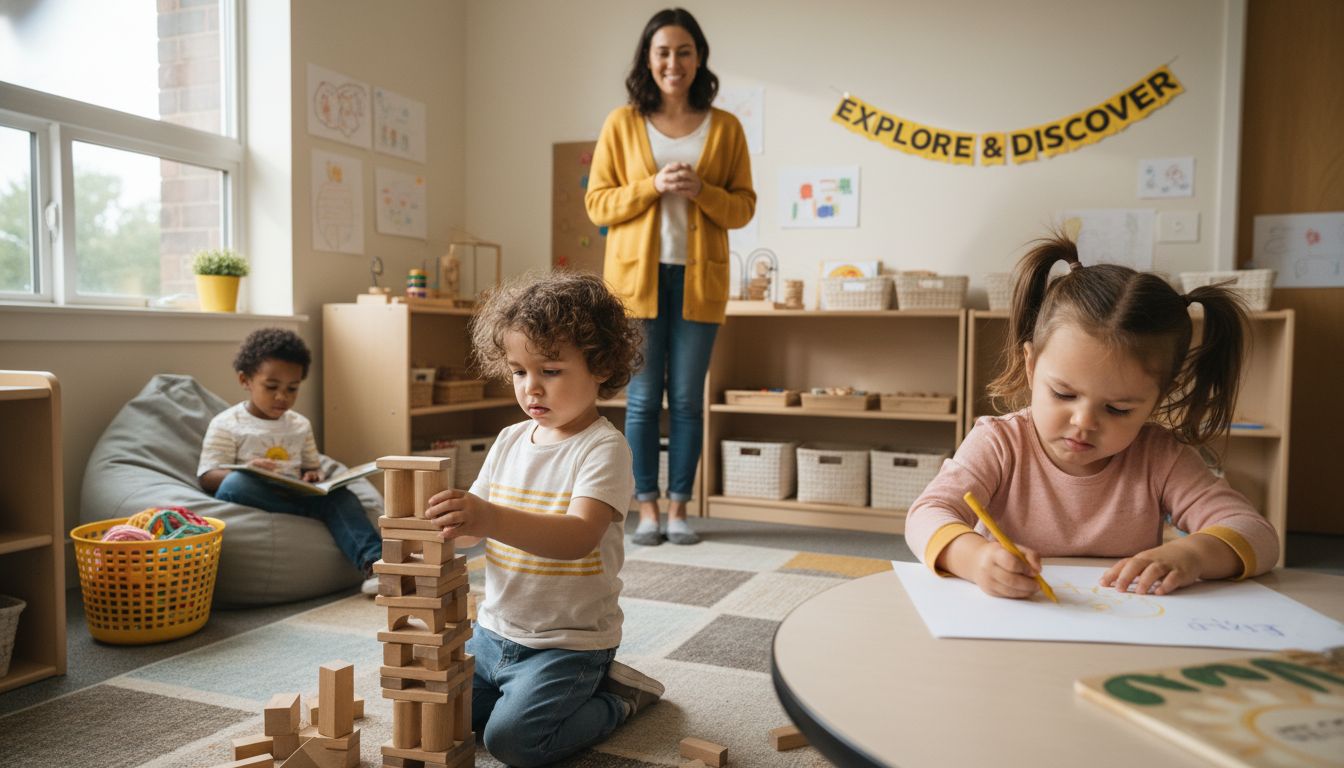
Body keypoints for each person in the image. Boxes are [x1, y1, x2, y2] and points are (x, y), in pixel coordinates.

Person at [905, 234, 1279, 599]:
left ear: (1156, 400)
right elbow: (926, 514)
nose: (1084, 422)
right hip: (1015, 619)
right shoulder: (1000, 442)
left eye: (1118, 409)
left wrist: (1192, 555)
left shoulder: (1161, 457)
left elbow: (1256, 533)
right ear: (1031, 366)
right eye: (1063, 394)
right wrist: (974, 558)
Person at [424, 272, 661, 767]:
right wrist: (449, 521)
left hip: (567, 643)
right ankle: (541, 696)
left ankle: (617, 698)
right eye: (518, 372)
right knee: (446, 716)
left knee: (514, 743)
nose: (531, 388)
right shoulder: (511, 439)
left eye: (551, 371)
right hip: (494, 633)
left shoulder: (603, 448)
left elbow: (578, 537)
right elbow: (474, 529)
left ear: (600, 367)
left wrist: (487, 517)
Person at [585, 7, 756, 546]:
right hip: (635, 284)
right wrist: (653, 185)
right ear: (648, 59)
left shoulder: (726, 127)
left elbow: (744, 208)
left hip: (700, 282)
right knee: (640, 402)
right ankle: (648, 510)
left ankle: (681, 508)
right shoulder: (621, 122)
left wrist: (702, 190)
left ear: (698, 56)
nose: (673, 62)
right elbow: (597, 204)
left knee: (685, 401)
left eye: (683, 51)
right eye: (662, 52)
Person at [197, 327, 382, 594]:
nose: (282, 397)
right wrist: (248, 470)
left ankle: (376, 566)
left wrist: (313, 476)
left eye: (292, 389)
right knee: (236, 482)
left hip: (294, 494)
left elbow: (311, 466)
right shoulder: (227, 424)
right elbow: (207, 477)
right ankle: (312, 514)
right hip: (253, 495)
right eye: (271, 387)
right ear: (245, 380)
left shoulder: (299, 425)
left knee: (343, 496)